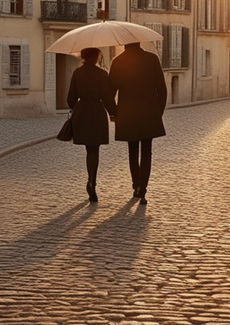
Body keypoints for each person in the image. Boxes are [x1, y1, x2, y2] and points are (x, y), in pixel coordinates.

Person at [109, 42, 167, 205]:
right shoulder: (152, 59)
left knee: (132, 150)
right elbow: (161, 89)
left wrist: (113, 112)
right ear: (139, 42)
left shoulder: (118, 61)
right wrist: (158, 112)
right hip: (149, 112)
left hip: (127, 113)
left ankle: (136, 185)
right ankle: (143, 188)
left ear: (125, 44)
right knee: (147, 151)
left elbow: (110, 92)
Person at [67, 47, 116, 203]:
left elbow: (70, 99)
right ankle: (92, 180)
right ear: (96, 57)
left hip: (82, 112)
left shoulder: (77, 73)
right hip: (96, 112)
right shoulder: (102, 74)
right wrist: (114, 113)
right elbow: (106, 97)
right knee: (94, 149)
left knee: (88, 148)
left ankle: (90, 180)